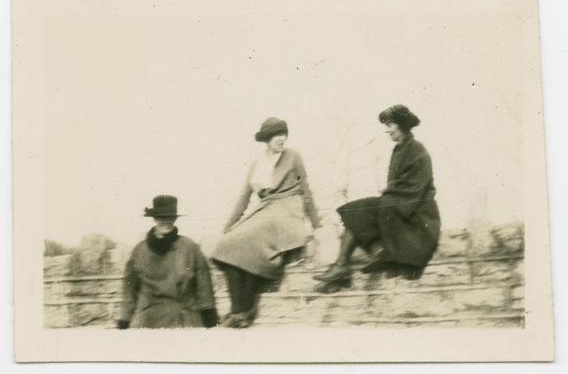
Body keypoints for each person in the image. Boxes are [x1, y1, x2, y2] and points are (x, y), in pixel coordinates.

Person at [313, 105, 441, 293]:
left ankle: (352, 262)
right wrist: (389, 195)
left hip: (419, 216)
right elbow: (399, 187)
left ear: (402, 125)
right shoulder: (400, 149)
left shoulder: (417, 150)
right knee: (354, 210)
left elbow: (414, 190)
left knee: (359, 209)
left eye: (390, 125)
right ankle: (358, 259)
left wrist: (388, 195)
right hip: (401, 205)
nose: (387, 130)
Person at [211, 117, 322, 328]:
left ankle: (241, 312)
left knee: (254, 241)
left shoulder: (293, 156)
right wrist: (226, 230)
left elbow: (305, 188)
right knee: (226, 246)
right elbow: (243, 198)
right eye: (277, 135)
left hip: (288, 212)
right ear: (267, 139)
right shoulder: (258, 164)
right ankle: (241, 310)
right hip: (266, 211)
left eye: (284, 134)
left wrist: (316, 226)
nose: (282, 138)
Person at [117, 195, 218, 329]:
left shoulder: (190, 247)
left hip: (185, 319)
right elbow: (129, 288)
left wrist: (209, 319)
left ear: (175, 218)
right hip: (149, 320)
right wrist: (124, 320)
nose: (166, 221)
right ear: (154, 218)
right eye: (161, 217)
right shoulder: (139, 250)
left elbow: (204, 285)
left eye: (170, 217)